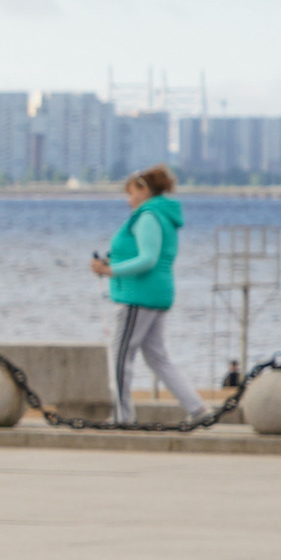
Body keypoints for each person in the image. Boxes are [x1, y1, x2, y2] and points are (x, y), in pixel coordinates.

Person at [92, 163, 206, 425]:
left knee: (120, 357)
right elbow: (144, 252)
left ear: (144, 190)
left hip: (137, 297)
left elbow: (147, 259)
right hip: (155, 295)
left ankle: (122, 417)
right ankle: (197, 409)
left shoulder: (148, 216)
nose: (129, 200)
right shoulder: (161, 215)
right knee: (158, 357)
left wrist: (110, 271)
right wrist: (114, 261)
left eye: (131, 193)